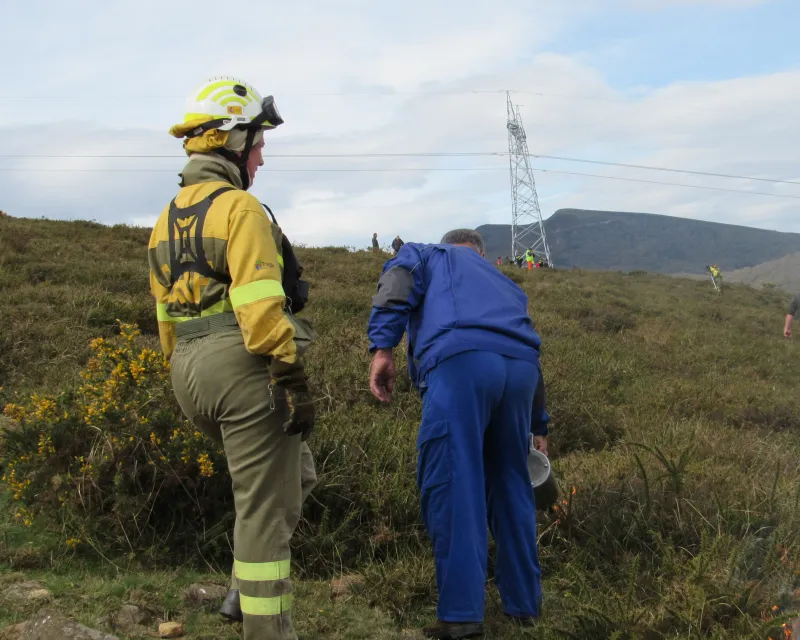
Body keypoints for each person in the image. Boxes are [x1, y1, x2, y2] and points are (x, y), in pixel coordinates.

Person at [148, 76, 318, 640]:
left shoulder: (166, 217)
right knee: (266, 512)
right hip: (241, 364)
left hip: (187, 369)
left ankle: (238, 592)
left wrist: (185, 369)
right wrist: (289, 372)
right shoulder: (240, 207)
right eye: (258, 143)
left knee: (297, 475)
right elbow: (258, 302)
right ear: (231, 138)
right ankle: (266, 630)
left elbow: (164, 314)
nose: (262, 157)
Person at [367, 229, 549, 639]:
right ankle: (525, 607)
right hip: (521, 373)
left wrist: (383, 347)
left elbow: (397, 284)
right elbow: (530, 349)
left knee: (454, 479)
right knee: (512, 482)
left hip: (461, 362)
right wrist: (539, 424)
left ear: (447, 244)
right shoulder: (505, 282)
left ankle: (461, 615)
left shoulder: (425, 253)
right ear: (481, 254)